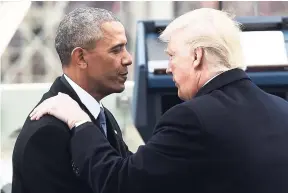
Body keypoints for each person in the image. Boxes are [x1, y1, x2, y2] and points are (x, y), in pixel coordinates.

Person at [30, 8, 288, 193]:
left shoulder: (191, 118)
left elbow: (121, 183)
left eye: (172, 55)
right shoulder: (282, 110)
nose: (168, 68)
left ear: (197, 56)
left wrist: (78, 121)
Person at [12, 7, 132, 193]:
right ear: (81, 57)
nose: (128, 59)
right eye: (116, 50)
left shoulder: (101, 115)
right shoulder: (46, 133)